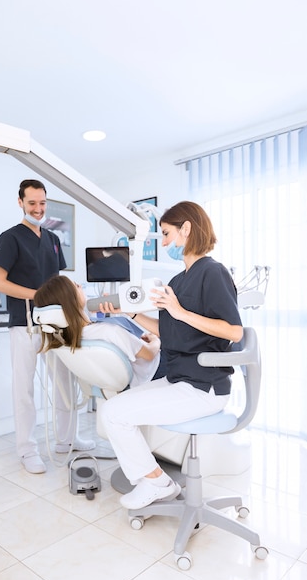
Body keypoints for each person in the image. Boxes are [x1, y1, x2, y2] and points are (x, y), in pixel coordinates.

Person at [98, 201, 243, 510]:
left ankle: (157, 483)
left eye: (165, 234)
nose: (163, 243)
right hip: (179, 379)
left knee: (114, 414)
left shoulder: (213, 273)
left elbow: (234, 331)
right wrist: (131, 314)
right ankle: (156, 480)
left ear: (186, 229)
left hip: (205, 387)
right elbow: (169, 331)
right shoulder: (177, 281)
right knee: (113, 409)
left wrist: (178, 310)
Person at [0, 179, 95, 474]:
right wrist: (37, 295)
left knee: (64, 382)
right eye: (32, 203)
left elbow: (56, 279)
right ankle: (27, 449)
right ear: (20, 202)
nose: (37, 208)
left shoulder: (52, 238)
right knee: (24, 388)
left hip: (55, 322)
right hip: (24, 322)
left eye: (42, 203)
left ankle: (66, 439)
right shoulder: (10, 238)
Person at [33, 275, 161, 387]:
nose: (80, 286)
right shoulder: (109, 331)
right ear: (70, 301)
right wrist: (156, 339)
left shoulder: (68, 338)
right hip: (154, 371)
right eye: (75, 286)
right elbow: (150, 354)